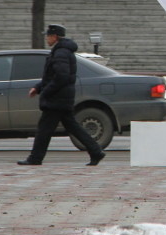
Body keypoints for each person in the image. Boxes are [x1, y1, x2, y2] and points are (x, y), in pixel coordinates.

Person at [17, 24, 106, 167]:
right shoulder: (61, 51)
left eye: (48, 35)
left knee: (44, 130)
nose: (46, 38)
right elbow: (51, 76)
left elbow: (61, 77)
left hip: (57, 98)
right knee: (72, 127)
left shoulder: (61, 53)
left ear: (55, 36)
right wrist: (38, 87)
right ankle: (95, 151)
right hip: (61, 97)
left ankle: (35, 158)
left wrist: (45, 92)